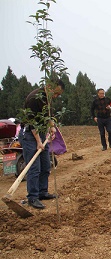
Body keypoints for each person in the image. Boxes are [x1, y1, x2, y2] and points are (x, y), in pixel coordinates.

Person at [19, 79, 65, 209]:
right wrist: (39, 141)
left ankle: (42, 192)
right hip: (29, 134)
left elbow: (48, 116)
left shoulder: (47, 99)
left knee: (45, 165)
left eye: (58, 95)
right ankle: (32, 197)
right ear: (49, 86)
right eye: (56, 93)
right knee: (34, 168)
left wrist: (51, 126)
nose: (56, 96)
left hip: (40, 133)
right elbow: (32, 122)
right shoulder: (35, 98)